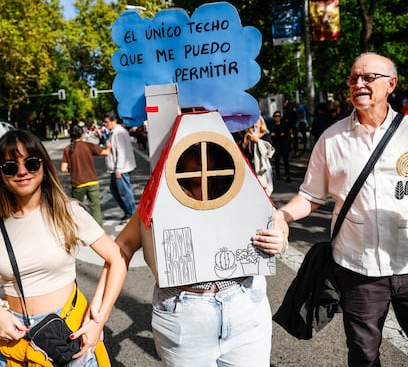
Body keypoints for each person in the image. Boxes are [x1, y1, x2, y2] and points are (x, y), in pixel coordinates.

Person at [91, 141, 289, 366]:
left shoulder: (239, 186)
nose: (200, 160)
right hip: (185, 314)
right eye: (192, 150)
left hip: (245, 304)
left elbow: (277, 220)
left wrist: (281, 239)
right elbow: (122, 246)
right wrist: (99, 309)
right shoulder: (161, 195)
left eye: (206, 150)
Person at [274, 52, 408, 366]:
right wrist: (282, 215)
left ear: (391, 84)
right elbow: (310, 196)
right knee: (363, 356)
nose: (358, 84)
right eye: (353, 79)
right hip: (358, 269)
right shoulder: (331, 139)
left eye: (368, 78)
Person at [0, 129, 127, 366]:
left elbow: (117, 259)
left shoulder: (68, 212)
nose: (21, 171)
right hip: (13, 338)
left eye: (31, 162)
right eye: (10, 166)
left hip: (68, 332)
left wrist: (98, 317)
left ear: (44, 166)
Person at [61, 125, 111, 226]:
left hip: (78, 184)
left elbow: (63, 169)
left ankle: (81, 229)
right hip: (92, 181)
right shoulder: (88, 145)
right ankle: (99, 231)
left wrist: (72, 168)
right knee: (95, 208)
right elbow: (106, 153)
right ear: (81, 134)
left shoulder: (67, 149)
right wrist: (109, 147)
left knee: (77, 209)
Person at [103, 111, 137, 223]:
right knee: (115, 191)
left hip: (120, 169)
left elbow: (121, 152)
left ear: (114, 121)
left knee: (124, 192)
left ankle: (132, 214)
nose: (105, 124)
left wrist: (118, 169)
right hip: (117, 168)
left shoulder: (118, 133)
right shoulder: (114, 132)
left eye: (107, 122)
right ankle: (128, 213)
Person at [237, 116, 275, 195]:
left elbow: (269, 151)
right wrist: (245, 143)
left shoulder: (265, 135)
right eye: (253, 122)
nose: (255, 124)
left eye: (257, 122)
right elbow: (242, 152)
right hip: (251, 167)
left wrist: (257, 141)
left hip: (263, 167)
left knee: (265, 190)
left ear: (261, 123)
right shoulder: (248, 136)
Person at [269, 110, 291, 183]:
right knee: (277, 159)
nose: (277, 118)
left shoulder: (284, 125)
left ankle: (287, 175)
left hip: (284, 144)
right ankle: (278, 174)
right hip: (276, 144)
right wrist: (279, 135)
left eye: (278, 116)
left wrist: (277, 135)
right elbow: (272, 135)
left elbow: (285, 134)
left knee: (286, 160)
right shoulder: (272, 125)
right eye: (276, 116)